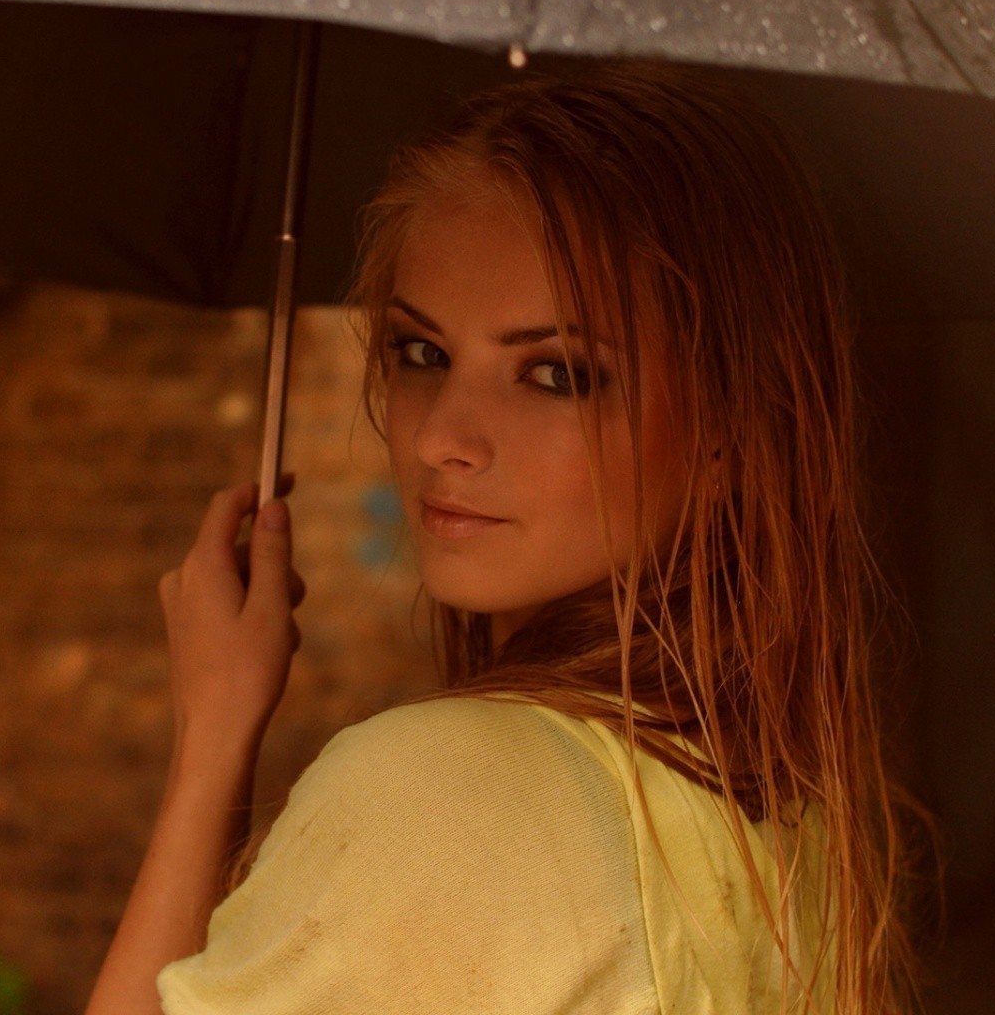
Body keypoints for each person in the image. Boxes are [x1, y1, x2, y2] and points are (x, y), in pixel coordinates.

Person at [84, 63, 943, 1015]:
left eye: (557, 375)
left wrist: (211, 737)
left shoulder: (446, 791)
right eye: (422, 353)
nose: (441, 435)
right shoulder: (787, 828)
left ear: (731, 427)